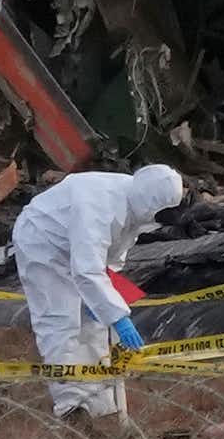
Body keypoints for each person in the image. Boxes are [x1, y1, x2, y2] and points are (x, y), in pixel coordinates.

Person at [10, 162, 184, 419]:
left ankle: (97, 403)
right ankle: (71, 408)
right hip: (43, 242)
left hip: (77, 251)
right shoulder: (98, 205)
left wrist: (103, 300)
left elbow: (110, 257)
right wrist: (118, 315)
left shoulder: (133, 206)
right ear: (149, 203)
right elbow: (87, 269)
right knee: (62, 320)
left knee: (96, 327)